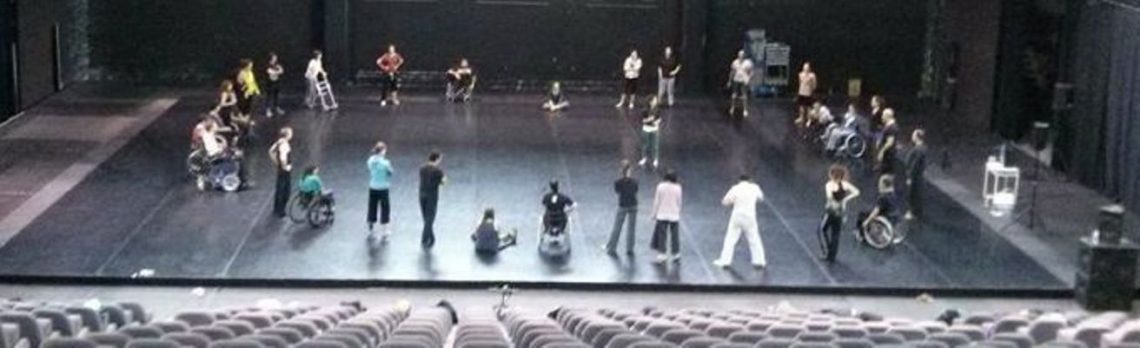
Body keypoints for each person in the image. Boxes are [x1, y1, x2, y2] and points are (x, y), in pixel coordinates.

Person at [713, 175, 767, 268]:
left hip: (737, 216)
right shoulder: (754, 188)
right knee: (754, 239)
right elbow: (761, 198)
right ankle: (759, 261)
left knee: (730, 239)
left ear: (739, 181)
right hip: (750, 216)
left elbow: (725, 202)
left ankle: (725, 261)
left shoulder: (735, 188)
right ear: (750, 180)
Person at [821, 165, 860, 262]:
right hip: (842, 210)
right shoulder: (845, 184)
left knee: (823, 229)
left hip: (832, 210)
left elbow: (829, 197)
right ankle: (832, 255)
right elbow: (856, 192)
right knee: (836, 233)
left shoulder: (829, 185)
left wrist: (831, 203)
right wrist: (845, 199)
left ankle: (828, 251)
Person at [604, 161, 638, 256]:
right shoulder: (635, 182)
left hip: (623, 205)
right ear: (629, 170)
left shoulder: (618, 182)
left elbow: (618, 191)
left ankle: (612, 247)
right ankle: (630, 248)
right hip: (633, 205)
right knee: (631, 228)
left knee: (617, 226)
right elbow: (635, 190)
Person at [650, 171, 682, 263]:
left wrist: (653, 214)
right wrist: (678, 212)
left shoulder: (660, 187)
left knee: (662, 235)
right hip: (674, 215)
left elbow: (656, 201)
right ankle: (676, 254)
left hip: (662, 215)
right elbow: (679, 202)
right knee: (675, 235)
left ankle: (662, 254)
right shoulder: (678, 188)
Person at [367, 141, 395, 240]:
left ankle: (371, 224)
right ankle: (384, 230)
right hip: (383, 188)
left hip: (373, 186)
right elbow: (390, 172)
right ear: (382, 151)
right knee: (385, 208)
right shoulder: (385, 163)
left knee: (372, 206)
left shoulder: (370, 160)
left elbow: (370, 169)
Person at [857, 175, 897, 243]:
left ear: (883, 185)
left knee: (862, 215)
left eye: (880, 183)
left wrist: (867, 221)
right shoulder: (893, 195)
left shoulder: (883, 197)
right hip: (892, 215)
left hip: (884, 215)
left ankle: (862, 235)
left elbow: (876, 211)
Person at [419, 151, 446, 248]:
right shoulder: (438, 171)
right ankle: (424, 238)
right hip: (432, 196)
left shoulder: (422, 168)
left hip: (422, 194)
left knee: (425, 217)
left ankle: (431, 236)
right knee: (430, 217)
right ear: (437, 159)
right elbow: (444, 182)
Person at [269, 127, 294, 217]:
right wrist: (284, 166)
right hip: (285, 169)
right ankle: (281, 210)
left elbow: (271, 151)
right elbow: (283, 158)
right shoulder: (284, 145)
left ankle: (277, 208)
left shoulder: (279, 142)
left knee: (280, 187)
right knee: (285, 190)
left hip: (281, 168)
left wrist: (276, 162)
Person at [905, 129, 928, 220]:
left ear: (917, 137)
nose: (912, 137)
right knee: (916, 194)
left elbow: (915, 164)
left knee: (913, 194)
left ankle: (913, 212)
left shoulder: (919, 149)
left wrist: (910, 176)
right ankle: (917, 212)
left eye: (913, 135)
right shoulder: (922, 148)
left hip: (915, 176)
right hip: (918, 175)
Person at [727, 50, 753, 117]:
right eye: (739, 55)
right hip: (736, 80)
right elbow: (732, 72)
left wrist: (749, 79)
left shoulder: (748, 63)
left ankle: (745, 110)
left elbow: (751, 72)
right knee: (734, 94)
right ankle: (732, 107)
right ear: (738, 56)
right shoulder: (735, 62)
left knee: (744, 95)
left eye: (742, 55)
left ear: (744, 56)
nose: (741, 56)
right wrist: (729, 81)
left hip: (744, 80)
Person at [638, 96, 662, 167]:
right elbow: (643, 120)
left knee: (655, 145)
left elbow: (659, 118)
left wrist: (657, 122)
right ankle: (643, 158)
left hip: (655, 129)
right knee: (645, 145)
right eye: (654, 100)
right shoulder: (644, 110)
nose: (656, 101)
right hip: (646, 129)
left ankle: (655, 159)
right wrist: (649, 119)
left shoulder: (657, 110)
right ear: (650, 102)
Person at [877, 109, 898, 177]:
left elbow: (890, 142)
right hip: (887, 155)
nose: (882, 117)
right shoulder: (887, 126)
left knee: (886, 174)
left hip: (888, 156)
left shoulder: (892, 128)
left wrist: (882, 151)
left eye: (883, 115)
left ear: (887, 116)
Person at [265, 52, 285, 117]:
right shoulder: (267, 65)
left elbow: (282, 71)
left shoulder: (277, 65)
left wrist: (276, 72)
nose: (276, 58)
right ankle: (268, 110)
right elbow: (270, 72)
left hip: (276, 82)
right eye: (274, 57)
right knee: (269, 97)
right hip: (270, 83)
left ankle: (276, 108)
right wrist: (277, 72)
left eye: (276, 57)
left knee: (276, 96)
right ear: (271, 58)